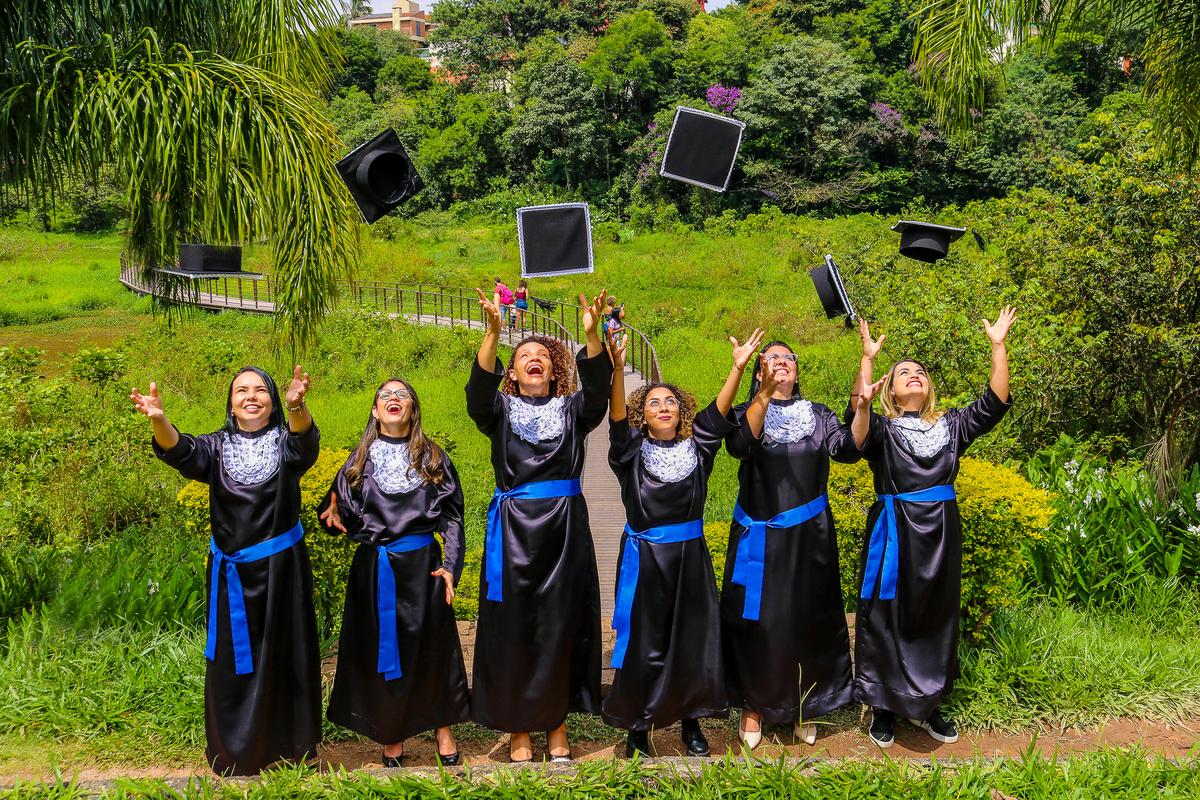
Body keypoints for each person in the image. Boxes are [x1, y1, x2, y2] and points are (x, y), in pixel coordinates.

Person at [130, 366, 321, 776]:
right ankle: (235, 752)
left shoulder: (287, 444)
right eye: (241, 391)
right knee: (234, 663)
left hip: (281, 573)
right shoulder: (215, 448)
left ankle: (293, 750)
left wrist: (297, 406)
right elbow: (179, 450)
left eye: (260, 390)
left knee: (286, 657)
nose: (250, 396)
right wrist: (161, 420)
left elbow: (305, 441)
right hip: (231, 577)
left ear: (272, 399)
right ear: (230, 402)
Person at [849, 308, 1017, 749]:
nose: (914, 375)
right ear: (891, 389)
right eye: (903, 372)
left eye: (920, 372)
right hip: (894, 533)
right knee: (888, 613)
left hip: (941, 534)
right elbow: (858, 434)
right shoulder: (882, 427)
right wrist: (866, 375)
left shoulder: (952, 424)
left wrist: (998, 345)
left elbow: (995, 401)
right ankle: (884, 706)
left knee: (936, 614)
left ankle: (930, 705)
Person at [465, 287, 612, 762]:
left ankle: (557, 727)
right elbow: (477, 395)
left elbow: (598, 397)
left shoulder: (574, 411)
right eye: (523, 355)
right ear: (512, 371)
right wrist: (492, 335)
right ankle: (519, 730)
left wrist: (592, 337)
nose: (533, 359)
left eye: (543, 356)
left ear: (554, 370)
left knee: (559, 625)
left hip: (564, 531)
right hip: (512, 532)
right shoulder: (499, 411)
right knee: (512, 627)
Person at [603, 327, 765, 759]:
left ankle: (691, 723)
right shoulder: (629, 453)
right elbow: (617, 420)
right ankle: (639, 726)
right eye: (653, 402)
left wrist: (737, 368)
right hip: (643, 557)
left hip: (690, 559)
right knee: (643, 641)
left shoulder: (700, 449)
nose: (663, 406)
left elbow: (719, 411)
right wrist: (618, 370)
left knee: (693, 639)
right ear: (644, 415)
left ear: (680, 411)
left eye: (670, 400)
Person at [317, 378, 470, 768]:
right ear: (375, 410)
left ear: (413, 408)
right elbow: (341, 513)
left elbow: (452, 518)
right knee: (383, 649)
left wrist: (451, 567)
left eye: (402, 394)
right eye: (385, 395)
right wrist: (334, 517)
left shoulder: (434, 458)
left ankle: (443, 729)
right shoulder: (357, 461)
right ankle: (391, 732)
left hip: (424, 567)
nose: (394, 399)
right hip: (376, 568)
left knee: (434, 650)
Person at [721, 341, 860, 751]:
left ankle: (805, 703)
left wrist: (864, 371)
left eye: (788, 358)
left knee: (806, 617)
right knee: (757, 621)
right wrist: (762, 393)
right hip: (757, 536)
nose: (781, 362)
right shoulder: (745, 411)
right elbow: (739, 447)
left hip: (808, 537)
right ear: (759, 370)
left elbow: (848, 450)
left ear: (797, 372)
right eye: (771, 358)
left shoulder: (819, 415)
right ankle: (753, 704)